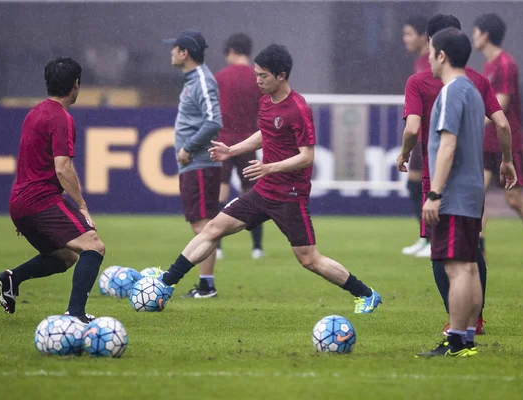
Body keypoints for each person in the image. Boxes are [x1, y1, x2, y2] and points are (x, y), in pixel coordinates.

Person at [160, 44, 382, 314]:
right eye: (256, 74)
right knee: (213, 229)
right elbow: (264, 133)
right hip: (263, 191)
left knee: (309, 259)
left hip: (289, 195)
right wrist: (233, 149)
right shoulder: (265, 102)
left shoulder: (298, 109)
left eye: (263, 76)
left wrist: (269, 167)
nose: (257, 81)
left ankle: (367, 294)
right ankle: (164, 284)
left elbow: (307, 156)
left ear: (281, 75)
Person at [396, 14, 517, 336]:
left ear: (435, 46)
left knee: (445, 258)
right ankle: (475, 320)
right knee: (472, 251)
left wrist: (407, 155)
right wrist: (507, 160)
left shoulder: (426, 83)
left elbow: (414, 128)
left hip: (442, 179)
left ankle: (458, 325)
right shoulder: (476, 81)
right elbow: (503, 123)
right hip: (474, 178)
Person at [0, 57, 105, 324]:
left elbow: (27, 162)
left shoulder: (35, 113)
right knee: (94, 246)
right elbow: (63, 168)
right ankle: (75, 315)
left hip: (22, 202)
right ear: (76, 85)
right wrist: (81, 205)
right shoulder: (61, 119)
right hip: (40, 200)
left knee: (65, 256)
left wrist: (22, 213)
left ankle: (12, 278)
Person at [416, 27, 490, 356]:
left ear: (441, 55)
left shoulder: (450, 92)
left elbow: (447, 145)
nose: (428, 57)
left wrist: (434, 194)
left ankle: (456, 340)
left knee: (457, 268)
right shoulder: (473, 91)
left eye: (431, 50)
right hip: (473, 193)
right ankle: (468, 338)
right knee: (470, 266)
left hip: (454, 194)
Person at [473, 13, 523, 264]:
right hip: (487, 142)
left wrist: (471, 123)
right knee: (475, 195)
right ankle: (478, 250)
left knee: (514, 199)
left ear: (485, 34)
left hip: (507, 142)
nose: (473, 36)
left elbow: (502, 105)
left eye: (475, 31)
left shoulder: (506, 64)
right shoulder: (488, 64)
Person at [163, 30, 223, 298]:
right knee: (203, 226)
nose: (171, 53)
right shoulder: (192, 79)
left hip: (199, 163)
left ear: (185, 53)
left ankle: (206, 285)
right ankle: (206, 283)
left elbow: (214, 121)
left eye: (174, 48)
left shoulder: (201, 79)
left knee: (203, 227)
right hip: (195, 165)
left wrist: (188, 147)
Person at [215, 33, 264, 260]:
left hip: (223, 140)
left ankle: (216, 246)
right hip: (248, 141)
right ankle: (257, 248)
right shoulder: (258, 78)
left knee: (220, 192)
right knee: (252, 195)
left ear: (231, 51)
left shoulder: (220, 78)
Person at [401, 15, 431, 257]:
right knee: (414, 186)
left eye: (409, 33)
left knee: (427, 187)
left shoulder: (431, 61)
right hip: (422, 135)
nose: (405, 39)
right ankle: (426, 237)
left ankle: (434, 239)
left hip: (431, 135)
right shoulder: (419, 62)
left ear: (423, 36)